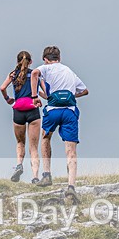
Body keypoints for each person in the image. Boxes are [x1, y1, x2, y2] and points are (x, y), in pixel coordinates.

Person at [30, 46, 89, 202]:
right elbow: (85, 91)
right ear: (59, 58)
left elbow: (34, 73)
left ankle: (47, 174)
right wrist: (70, 95)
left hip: (53, 111)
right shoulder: (69, 71)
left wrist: (34, 96)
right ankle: (71, 186)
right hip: (70, 111)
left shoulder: (46, 68)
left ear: (45, 59)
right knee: (71, 150)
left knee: (45, 138)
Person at [0, 51, 43, 183]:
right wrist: (40, 96)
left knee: (20, 142)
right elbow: (46, 91)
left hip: (18, 110)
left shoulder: (13, 74)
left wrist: (8, 99)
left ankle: (19, 165)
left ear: (17, 61)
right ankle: (35, 176)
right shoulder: (35, 74)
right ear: (31, 62)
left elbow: (2, 88)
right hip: (32, 109)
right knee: (34, 147)